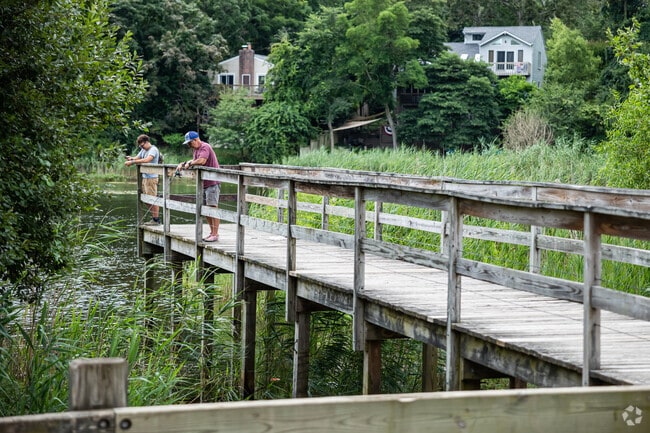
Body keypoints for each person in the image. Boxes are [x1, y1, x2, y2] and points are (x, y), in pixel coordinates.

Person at [176, 131, 220, 242]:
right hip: (204, 183)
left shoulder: (205, 147)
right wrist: (184, 163)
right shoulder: (196, 149)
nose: (189, 146)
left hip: (212, 182)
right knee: (205, 209)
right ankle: (212, 232)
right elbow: (195, 160)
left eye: (190, 143)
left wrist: (190, 164)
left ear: (196, 140)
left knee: (212, 207)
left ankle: (215, 233)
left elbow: (202, 160)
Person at [125, 134, 161, 225]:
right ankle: (154, 217)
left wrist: (132, 162)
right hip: (145, 177)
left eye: (142, 145)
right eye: (140, 146)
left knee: (152, 199)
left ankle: (156, 220)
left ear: (147, 142)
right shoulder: (143, 150)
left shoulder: (153, 149)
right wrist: (131, 158)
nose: (141, 147)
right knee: (145, 199)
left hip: (152, 178)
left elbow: (147, 160)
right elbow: (138, 157)